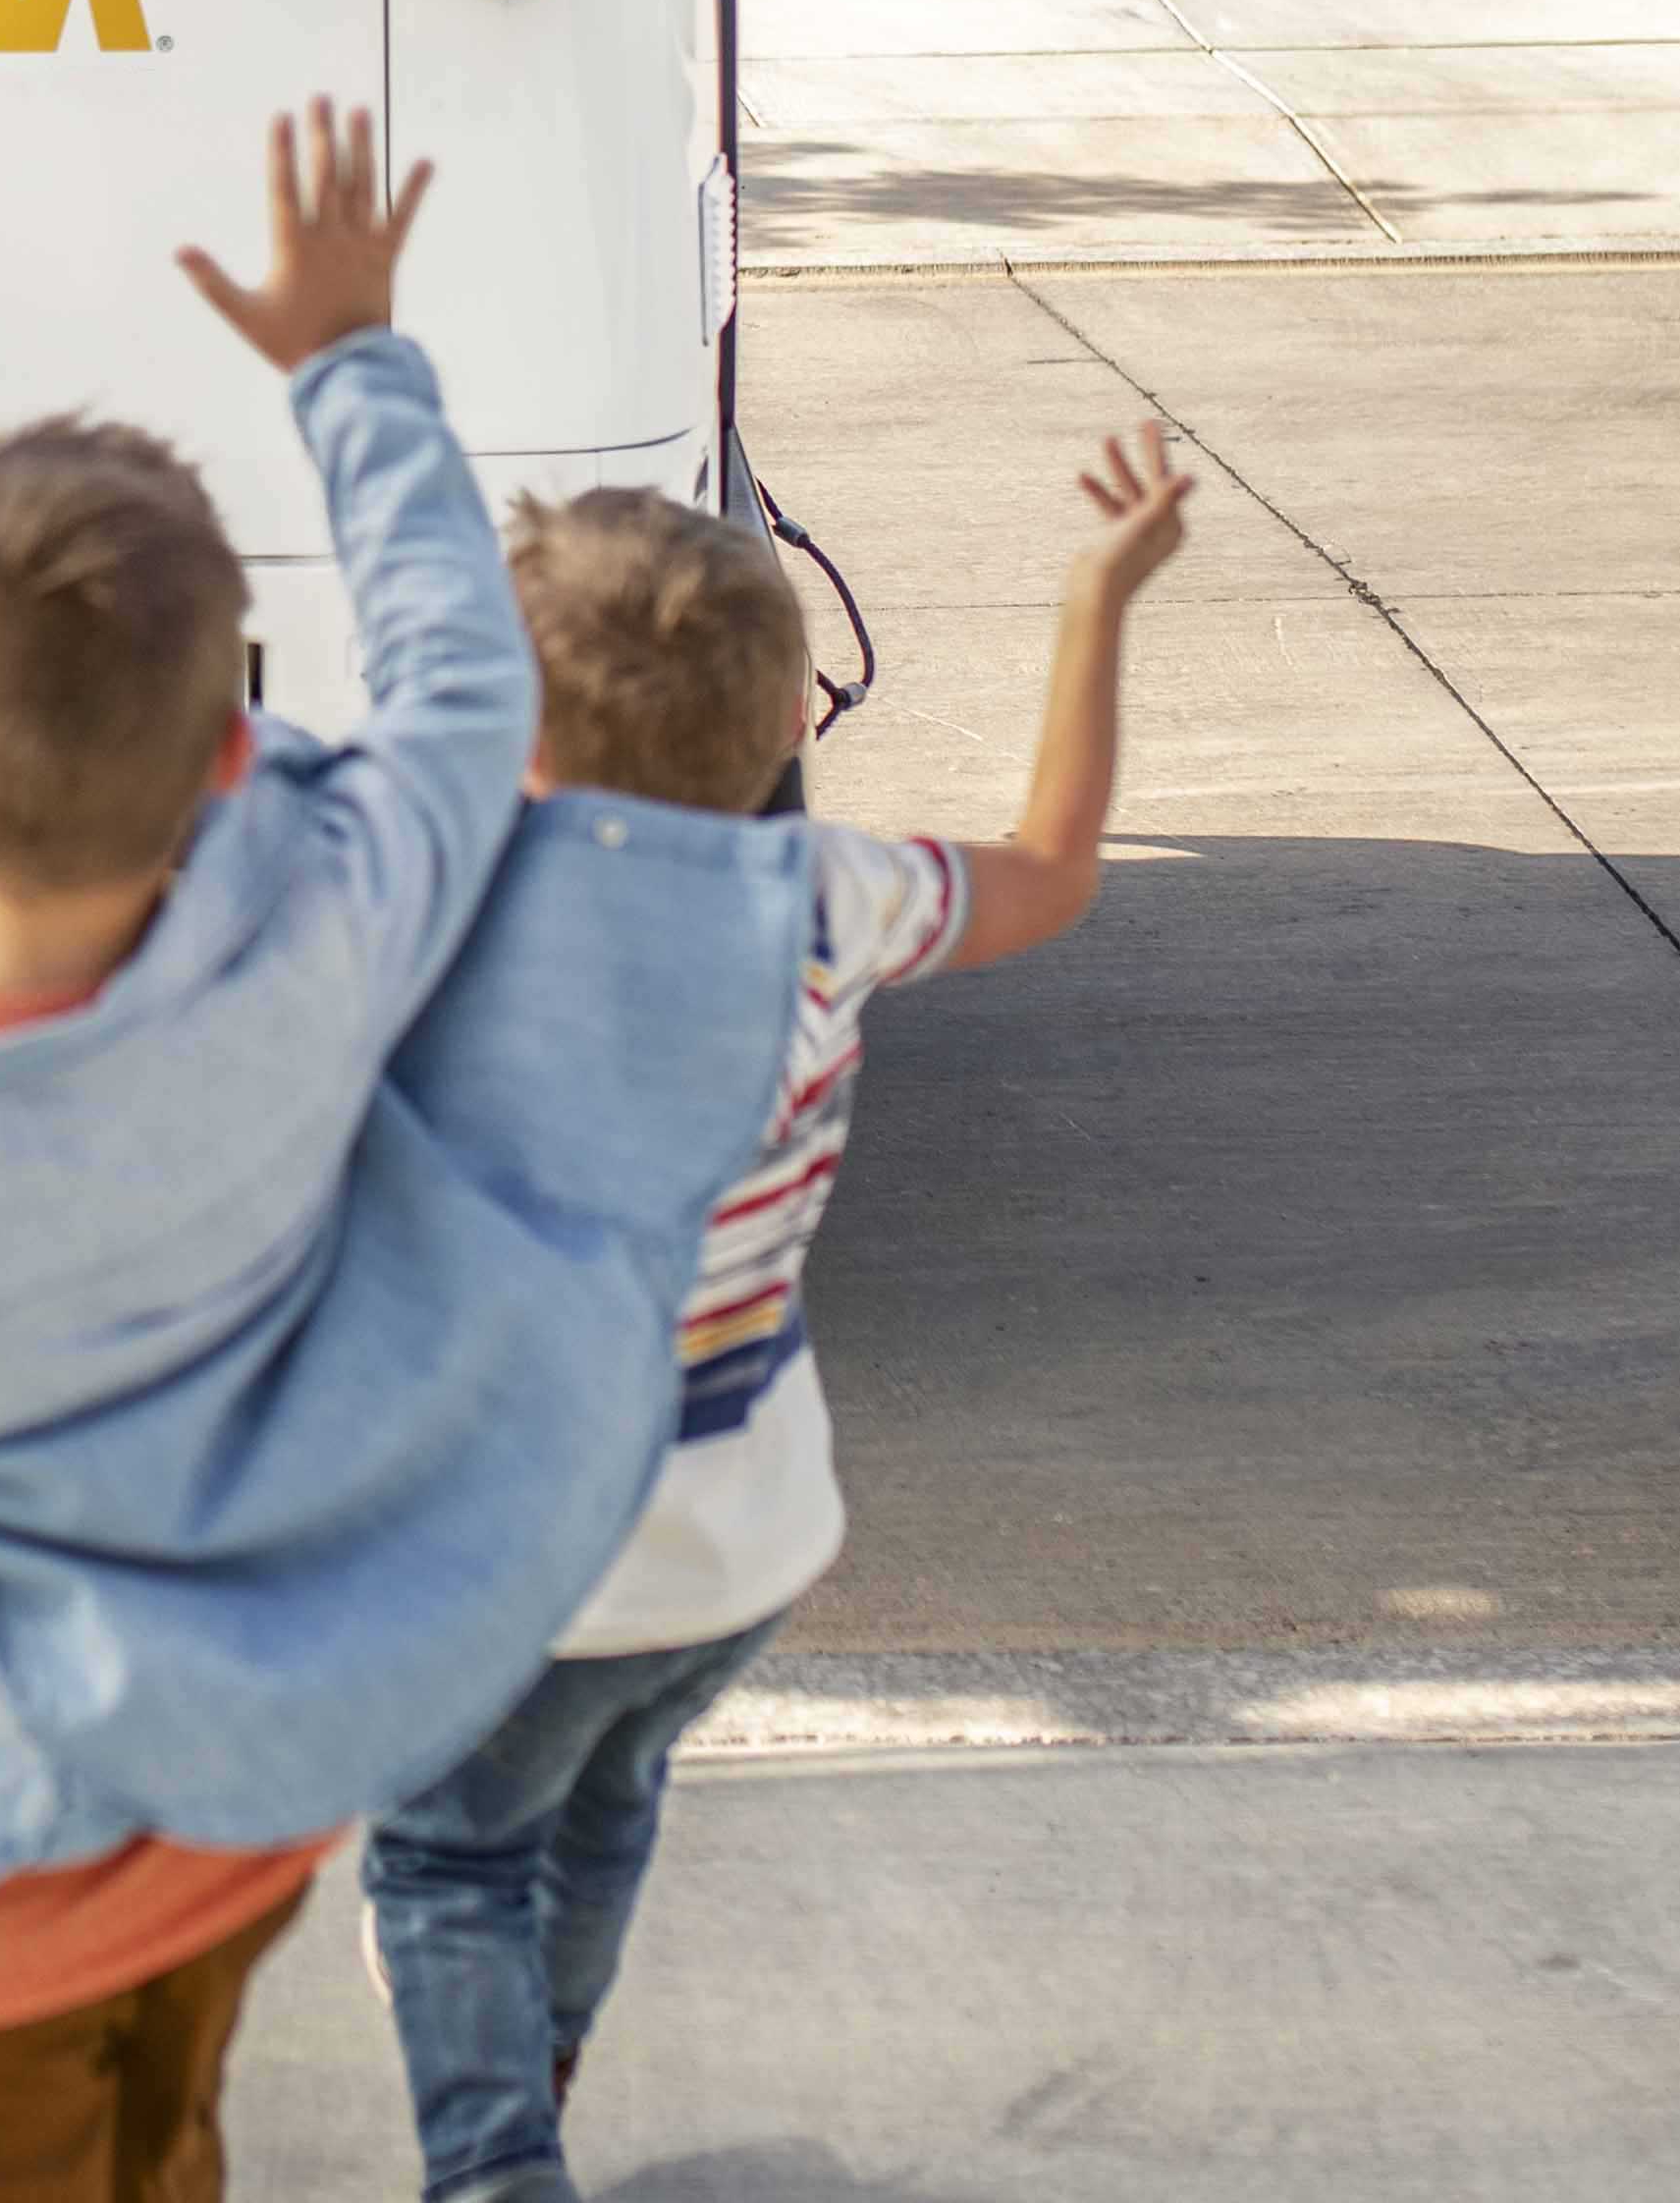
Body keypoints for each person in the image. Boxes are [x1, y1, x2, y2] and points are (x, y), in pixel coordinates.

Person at [0, 108, 813, 2203]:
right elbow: (461, 690)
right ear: (232, 736)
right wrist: (352, 364)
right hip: (227, 1827)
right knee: (167, 2139)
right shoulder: (325, 921)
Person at [353, 438, 1195, 2203]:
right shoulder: (832, 900)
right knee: (604, 1798)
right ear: (779, 733)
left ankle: (496, 2158)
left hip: (516, 1574)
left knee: (444, 1866)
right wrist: (1092, 600)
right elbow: (1054, 865)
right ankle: (545, 2051)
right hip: (739, 1558)